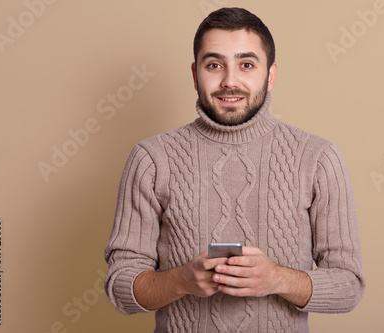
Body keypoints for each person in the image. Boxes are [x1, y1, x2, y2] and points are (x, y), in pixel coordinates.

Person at [104, 7, 365, 332]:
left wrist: (276, 279)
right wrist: (182, 280)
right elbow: (120, 287)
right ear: (195, 73)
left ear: (269, 74)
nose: (229, 80)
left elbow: (348, 286)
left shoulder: (318, 158)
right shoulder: (152, 158)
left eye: (246, 64)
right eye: (214, 65)